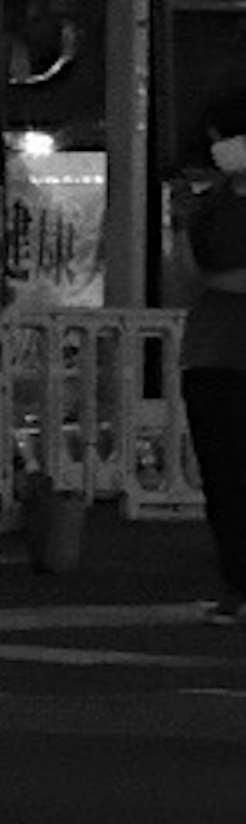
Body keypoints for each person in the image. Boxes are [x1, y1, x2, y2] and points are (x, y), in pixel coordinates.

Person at [180, 94, 246, 610]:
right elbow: (186, 275)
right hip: (210, 356)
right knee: (222, 480)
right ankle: (236, 585)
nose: (220, 149)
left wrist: (219, 279)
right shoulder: (212, 203)